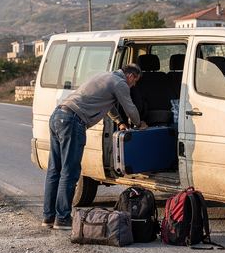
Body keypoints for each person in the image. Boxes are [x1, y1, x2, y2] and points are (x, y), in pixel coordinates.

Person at [43, 63, 148, 229]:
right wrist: (139, 123)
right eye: (135, 82)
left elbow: (109, 106)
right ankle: (62, 218)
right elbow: (130, 108)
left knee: (55, 170)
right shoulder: (120, 83)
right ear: (131, 76)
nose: (133, 85)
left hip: (58, 115)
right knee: (70, 171)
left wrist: (119, 121)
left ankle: (48, 217)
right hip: (72, 122)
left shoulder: (105, 76)